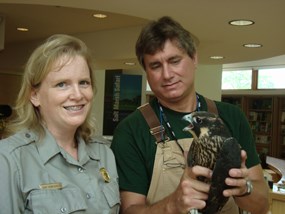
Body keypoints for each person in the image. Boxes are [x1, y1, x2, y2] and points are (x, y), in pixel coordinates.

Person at [111, 16, 269, 214]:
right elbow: (130, 210)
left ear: (194, 58)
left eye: (174, 61)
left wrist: (244, 188)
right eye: (155, 66)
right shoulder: (131, 130)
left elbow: (262, 205)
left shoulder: (231, 116)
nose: (167, 74)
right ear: (146, 71)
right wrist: (173, 204)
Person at [0, 34, 120, 213]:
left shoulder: (104, 153)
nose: (78, 94)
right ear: (35, 95)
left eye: (84, 83)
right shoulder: (10, 159)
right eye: (62, 84)